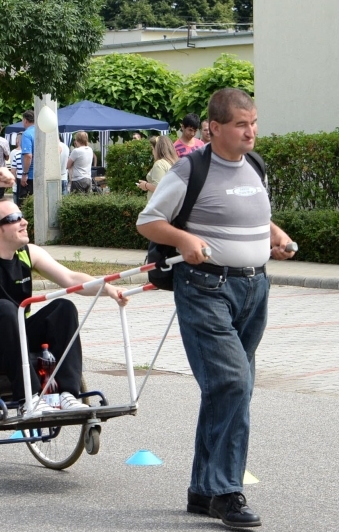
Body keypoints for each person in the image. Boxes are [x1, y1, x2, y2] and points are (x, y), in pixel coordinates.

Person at [136, 88, 296, 529]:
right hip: (206, 288)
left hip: (254, 288)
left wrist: (275, 237)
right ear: (216, 128)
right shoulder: (192, 168)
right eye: (242, 124)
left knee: (230, 388)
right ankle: (226, 492)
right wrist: (186, 240)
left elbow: (255, 217)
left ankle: (203, 490)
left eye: (255, 122)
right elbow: (148, 220)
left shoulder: (255, 166)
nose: (252, 132)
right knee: (231, 382)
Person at [0, 168, 128, 413]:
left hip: (14, 333)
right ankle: (31, 398)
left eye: (22, 216)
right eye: (14, 218)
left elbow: (71, 278)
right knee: (5, 308)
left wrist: (109, 289)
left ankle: (68, 394)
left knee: (63, 308)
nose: (24, 221)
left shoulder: (28, 253)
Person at [18, 110, 35, 206]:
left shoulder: (27, 134)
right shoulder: (42, 132)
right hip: (42, 174)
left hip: (30, 176)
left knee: (25, 205)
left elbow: (28, 155)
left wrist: (25, 173)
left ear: (25, 120)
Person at [8, 133, 22, 203]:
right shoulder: (29, 152)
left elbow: (12, 169)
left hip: (15, 181)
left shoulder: (13, 152)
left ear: (17, 141)